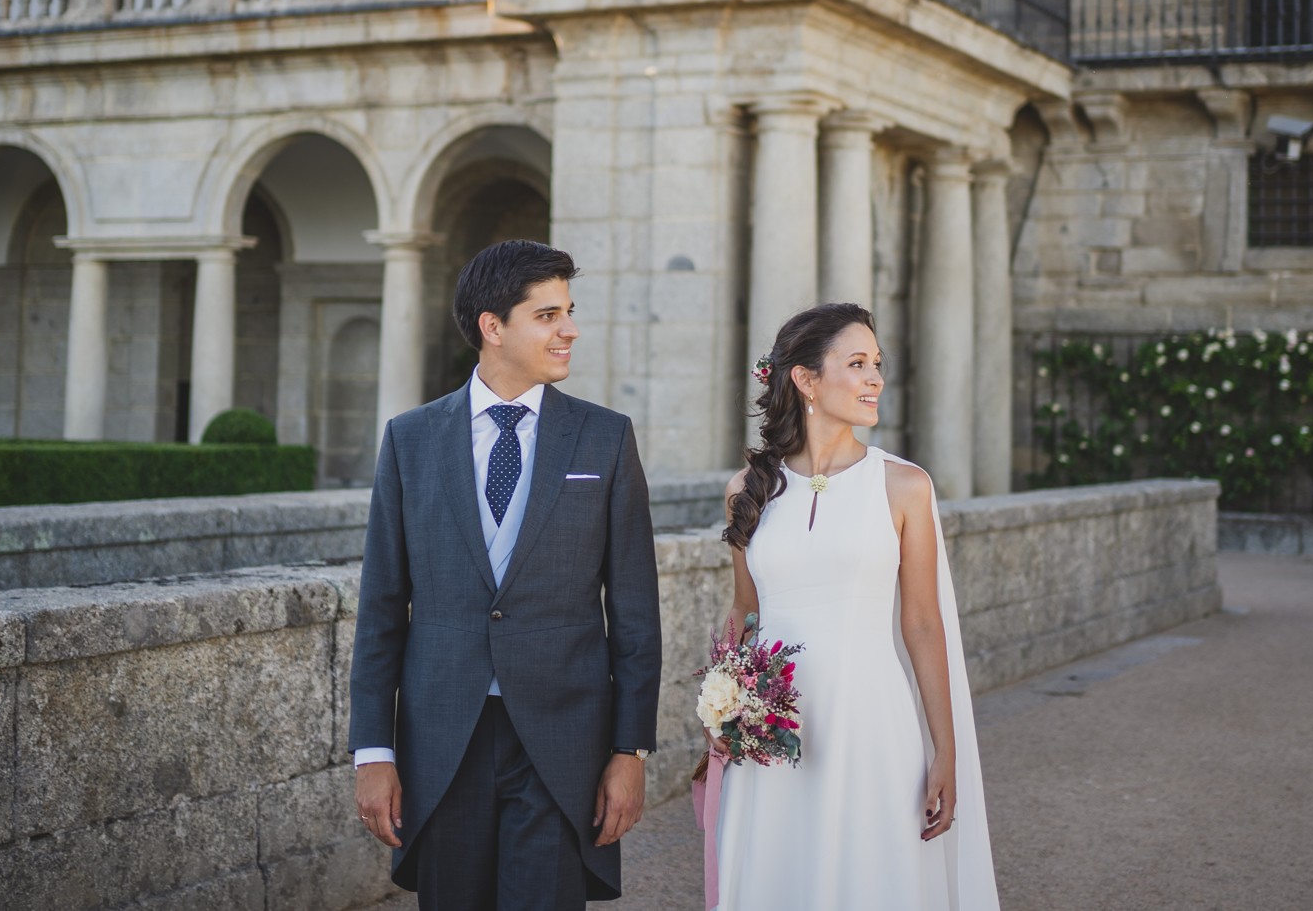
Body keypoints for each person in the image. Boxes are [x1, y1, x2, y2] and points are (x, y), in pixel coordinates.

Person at [349, 239, 663, 910]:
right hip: (443, 740)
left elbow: (635, 611)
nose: (569, 329)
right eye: (548, 315)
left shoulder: (604, 439)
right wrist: (372, 751)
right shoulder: (410, 439)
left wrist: (629, 749)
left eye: (569, 311)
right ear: (493, 327)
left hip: (562, 743)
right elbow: (380, 609)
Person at [711, 302, 998, 909]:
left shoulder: (903, 486)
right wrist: (725, 713)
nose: (876, 379)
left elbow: (922, 624)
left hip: (871, 726)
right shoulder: (746, 490)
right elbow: (745, 614)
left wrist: (944, 750)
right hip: (774, 730)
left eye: (878, 364)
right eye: (858, 363)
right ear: (806, 379)